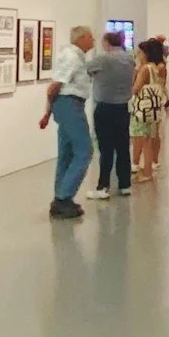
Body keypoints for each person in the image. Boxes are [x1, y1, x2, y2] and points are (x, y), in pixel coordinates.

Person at [39, 23, 97, 218]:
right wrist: (47, 113)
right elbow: (54, 86)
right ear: (81, 39)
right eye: (90, 37)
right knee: (84, 150)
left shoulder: (76, 57)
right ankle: (63, 198)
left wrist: (49, 112)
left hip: (68, 105)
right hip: (69, 105)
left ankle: (61, 196)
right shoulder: (72, 56)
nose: (93, 40)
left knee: (67, 152)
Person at [88, 24, 135, 198]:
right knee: (123, 147)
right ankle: (125, 184)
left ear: (107, 43)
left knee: (106, 148)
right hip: (123, 107)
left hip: (105, 107)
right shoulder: (129, 59)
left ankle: (103, 186)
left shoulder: (103, 59)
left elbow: (87, 69)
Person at [129, 37, 169, 182]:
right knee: (149, 137)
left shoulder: (145, 69)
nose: (138, 55)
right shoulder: (157, 67)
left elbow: (135, 88)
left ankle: (146, 172)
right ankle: (148, 167)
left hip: (142, 108)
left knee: (143, 138)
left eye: (140, 52)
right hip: (153, 108)